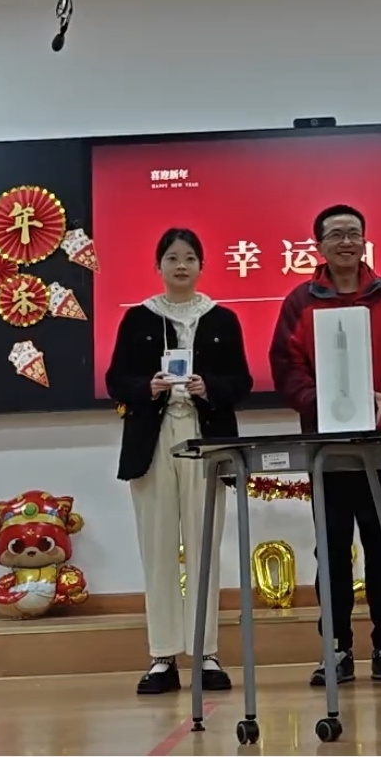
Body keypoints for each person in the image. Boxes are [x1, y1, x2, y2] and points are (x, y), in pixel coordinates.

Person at [268, 204, 381, 687]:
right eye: (335, 235)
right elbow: (286, 364)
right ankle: (335, 649)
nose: (346, 242)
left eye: (354, 233)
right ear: (319, 246)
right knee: (332, 551)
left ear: (365, 241)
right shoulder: (300, 301)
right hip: (326, 449)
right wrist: (320, 404)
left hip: (380, 445)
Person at [106, 227, 253, 696]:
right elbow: (115, 380)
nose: (181, 265)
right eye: (172, 258)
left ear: (201, 265)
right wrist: (145, 388)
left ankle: (206, 653)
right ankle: (162, 655)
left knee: (204, 542)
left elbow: (242, 382)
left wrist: (210, 388)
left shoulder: (222, 318)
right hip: (152, 441)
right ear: (159, 266)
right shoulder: (138, 318)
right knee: (158, 546)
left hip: (205, 438)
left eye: (189, 257)